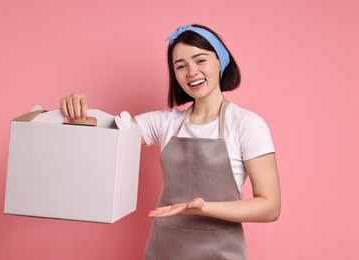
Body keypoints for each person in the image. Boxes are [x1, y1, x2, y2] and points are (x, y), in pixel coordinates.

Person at [60, 24, 281, 260]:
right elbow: (102, 142)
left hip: (221, 253)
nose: (191, 72)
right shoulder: (164, 123)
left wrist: (203, 207)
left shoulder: (247, 124)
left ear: (221, 61)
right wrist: (76, 113)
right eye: (181, 66)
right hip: (163, 250)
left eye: (200, 60)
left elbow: (270, 206)